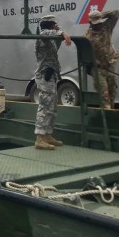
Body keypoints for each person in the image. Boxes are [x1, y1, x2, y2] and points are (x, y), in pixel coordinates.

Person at [34, 15, 72, 150]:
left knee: (52, 106)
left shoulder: (51, 39)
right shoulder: (43, 36)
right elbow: (47, 33)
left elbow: (55, 46)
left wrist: (60, 35)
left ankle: (48, 135)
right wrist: (62, 33)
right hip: (44, 76)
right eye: (53, 25)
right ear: (49, 26)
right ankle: (39, 138)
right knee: (44, 106)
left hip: (51, 77)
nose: (56, 27)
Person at [84, 10, 119, 110]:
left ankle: (110, 116)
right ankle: (105, 120)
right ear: (90, 23)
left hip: (110, 66)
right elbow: (85, 55)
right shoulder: (87, 37)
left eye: (99, 23)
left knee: (112, 94)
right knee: (104, 96)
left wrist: (101, 15)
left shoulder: (106, 27)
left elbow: (116, 13)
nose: (98, 25)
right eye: (95, 23)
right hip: (98, 69)